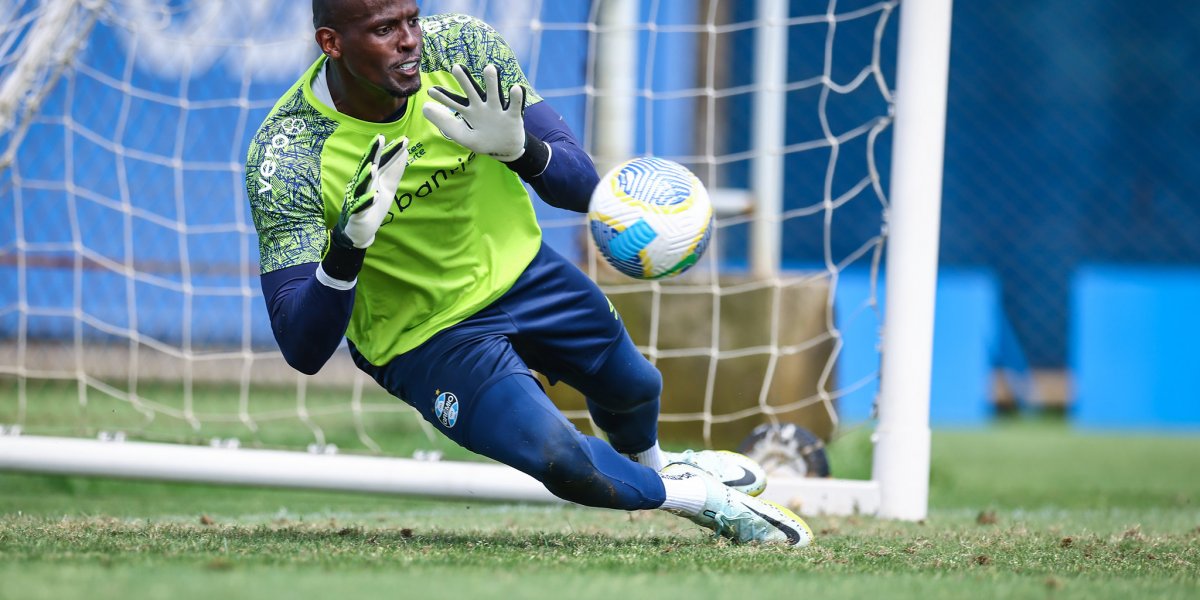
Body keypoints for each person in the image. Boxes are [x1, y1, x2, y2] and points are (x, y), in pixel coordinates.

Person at [244, 0, 812, 547]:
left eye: (412, 19)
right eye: (384, 29)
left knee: (638, 389)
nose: (410, 40)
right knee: (561, 459)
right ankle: (702, 497)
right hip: (425, 337)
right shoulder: (287, 154)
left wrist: (521, 151)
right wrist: (348, 243)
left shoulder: (462, 48)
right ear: (331, 43)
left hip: (525, 274)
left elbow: (583, 185)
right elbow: (303, 349)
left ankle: (659, 468)